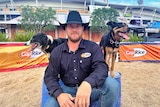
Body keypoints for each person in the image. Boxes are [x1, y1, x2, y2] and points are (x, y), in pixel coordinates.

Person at [44, 10, 120, 107]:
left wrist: (88, 83)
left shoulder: (93, 47)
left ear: (83, 28)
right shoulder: (57, 52)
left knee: (112, 85)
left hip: (91, 89)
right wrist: (59, 94)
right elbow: (49, 77)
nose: (74, 30)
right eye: (71, 26)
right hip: (67, 90)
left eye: (78, 26)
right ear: (65, 28)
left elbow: (101, 67)